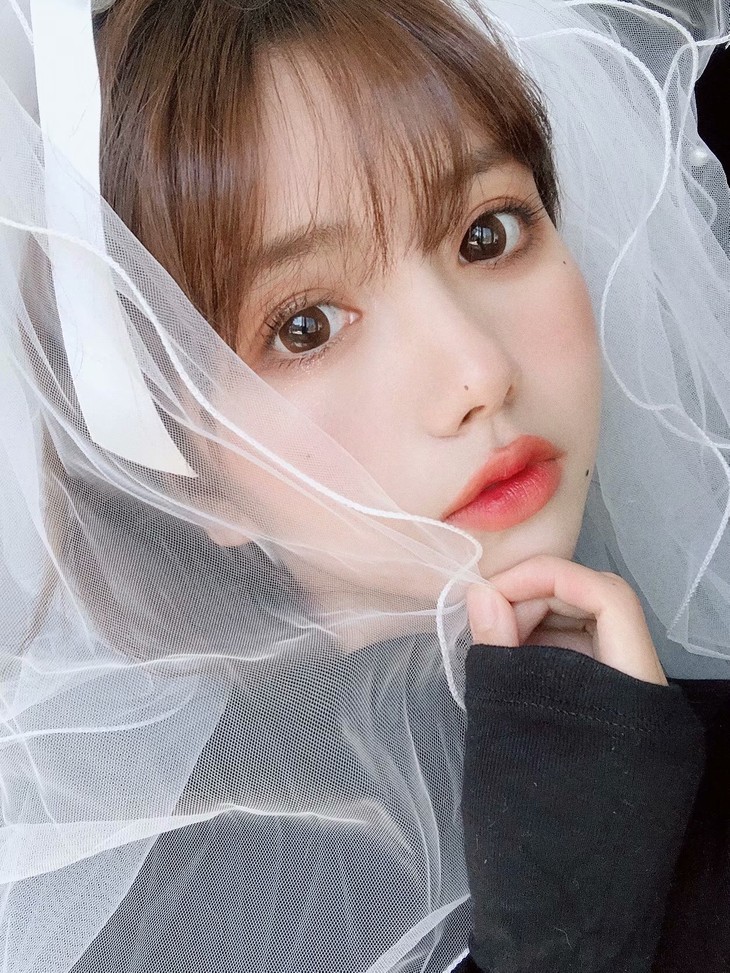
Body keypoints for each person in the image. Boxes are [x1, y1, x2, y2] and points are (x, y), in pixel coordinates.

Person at [0, 1, 728, 972]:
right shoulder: (136, 924)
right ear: (186, 476)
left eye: (487, 234)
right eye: (305, 326)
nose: (478, 373)